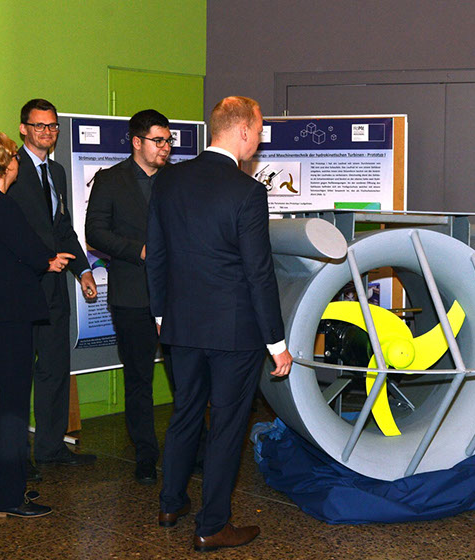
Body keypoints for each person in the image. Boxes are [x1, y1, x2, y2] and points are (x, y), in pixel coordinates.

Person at [146, 96, 293, 552]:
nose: (260, 140)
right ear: (243, 130)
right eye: (260, 130)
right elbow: (259, 272)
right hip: (234, 332)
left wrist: (160, 315)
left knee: (186, 413)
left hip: (180, 325)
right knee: (227, 426)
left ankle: (170, 504)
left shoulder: (168, 180)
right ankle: (212, 525)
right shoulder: (247, 192)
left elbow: (156, 254)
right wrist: (277, 343)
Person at [0, 132, 76, 517]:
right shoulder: (0, 204)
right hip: (12, 315)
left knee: (1, 404)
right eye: (12, 155)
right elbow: (29, 250)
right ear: (2, 164)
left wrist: (44, 257)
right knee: (12, 407)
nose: (17, 161)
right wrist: (50, 260)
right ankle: (9, 498)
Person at [7, 99, 97, 471]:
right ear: (23, 128)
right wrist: (41, 261)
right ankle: (13, 459)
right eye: (40, 125)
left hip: (56, 287)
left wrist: (84, 271)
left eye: (53, 126)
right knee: (16, 373)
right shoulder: (9, 169)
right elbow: (7, 232)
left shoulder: (56, 172)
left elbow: (62, 228)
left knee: (56, 367)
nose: (48, 132)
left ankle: (50, 446)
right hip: (22, 288)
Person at [85, 109, 173, 484]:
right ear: (137, 142)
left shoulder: (176, 179)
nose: (165, 148)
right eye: (158, 141)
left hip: (176, 296)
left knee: (185, 378)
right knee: (138, 379)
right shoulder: (110, 180)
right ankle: (145, 454)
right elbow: (95, 232)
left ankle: (195, 450)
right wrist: (138, 250)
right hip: (132, 295)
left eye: (168, 141)